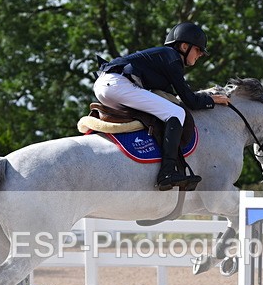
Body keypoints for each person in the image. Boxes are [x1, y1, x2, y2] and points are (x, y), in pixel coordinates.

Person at [95, 22, 231, 191]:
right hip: (118, 85)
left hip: (106, 86)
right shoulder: (172, 58)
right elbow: (190, 101)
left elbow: (171, 95)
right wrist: (211, 100)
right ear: (184, 46)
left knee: (165, 111)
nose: (201, 54)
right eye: (198, 50)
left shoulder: (163, 59)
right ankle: (167, 173)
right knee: (176, 113)